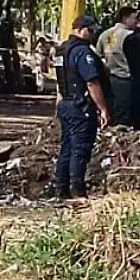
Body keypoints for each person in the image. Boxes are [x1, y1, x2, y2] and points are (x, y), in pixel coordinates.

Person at [53, 15, 111, 199]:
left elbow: (61, 82)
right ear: (79, 29)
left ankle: (61, 188)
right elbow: (92, 82)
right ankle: (77, 190)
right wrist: (103, 109)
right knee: (80, 149)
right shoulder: (83, 52)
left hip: (66, 104)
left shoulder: (61, 51)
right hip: (80, 106)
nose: (93, 34)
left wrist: (59, 104)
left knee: (67, 147)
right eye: (90, 30)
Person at [98, 6, 139, 129]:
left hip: (109, 78)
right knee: (125, 117)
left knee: (113, 113)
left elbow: (98, 56)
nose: (136, 21)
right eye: (134, 18)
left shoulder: (105, 34)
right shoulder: (130, 36)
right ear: (125, 18)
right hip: (126, 79)